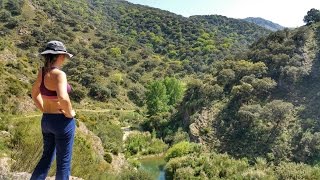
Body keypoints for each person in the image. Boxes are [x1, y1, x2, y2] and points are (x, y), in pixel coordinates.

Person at [30, 40, 76, 180]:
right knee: (63, 162)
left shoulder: (42, 72)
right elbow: (63, 97)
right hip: (62, 122)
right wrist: (69, 113)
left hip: (47, 120)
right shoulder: (59, 74)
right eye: (64, 56)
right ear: (60, 56)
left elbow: (34, 93)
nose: (64, 59)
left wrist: (43, 108)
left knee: (46, 158)